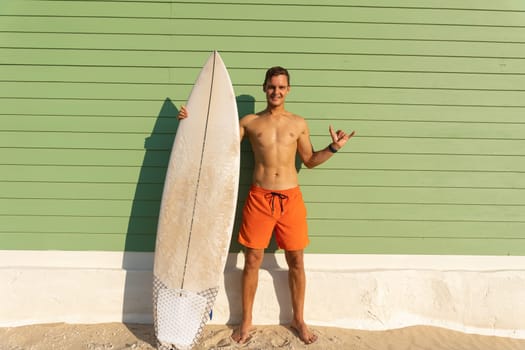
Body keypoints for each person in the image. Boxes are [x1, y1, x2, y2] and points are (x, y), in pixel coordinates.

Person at [178, 66, 355, 345]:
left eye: (281, 87)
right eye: (272, 86)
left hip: (291, 199)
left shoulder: (298, 123)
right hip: (259, 198)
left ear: (288, 90)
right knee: (251, 260)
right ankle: (246, 320)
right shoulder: (249, 122)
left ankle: (299, 319)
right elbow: (220, 147)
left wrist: (334, 148)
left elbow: (309, 160)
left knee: (296, 261)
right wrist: (192, 121)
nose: (276, 91)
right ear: (265, 88)